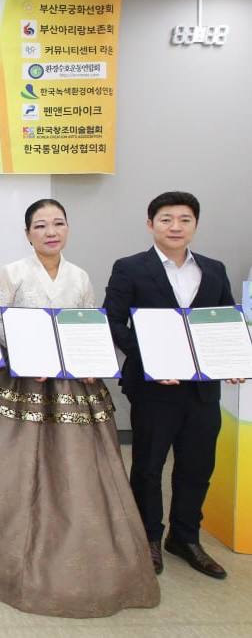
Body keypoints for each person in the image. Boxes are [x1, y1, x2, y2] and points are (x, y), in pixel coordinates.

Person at [0, 198, 159, 617]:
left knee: (74, 468)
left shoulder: (79, 276)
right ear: (28, 234)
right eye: (40, 225)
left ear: (67, 229)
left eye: (58, 223)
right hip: (20, 379)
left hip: (67, 380)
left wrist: (88, 359)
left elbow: (87, 322)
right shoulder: (14, 272)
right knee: (6, 465)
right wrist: (27, 353)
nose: (50, 231)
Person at [104, 191, 244, 580]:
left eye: (184, 219)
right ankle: (147, 537)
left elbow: (225, 321)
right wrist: (152, 359)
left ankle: (185, 537)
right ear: (150, 224)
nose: (176, 227)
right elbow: (114, 322)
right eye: (166, 219)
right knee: (148, 464)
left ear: (195, 225)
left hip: (202, 389)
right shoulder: (130, 268)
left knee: (198, 465)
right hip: (154, 386)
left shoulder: (213, 270)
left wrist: (232, 360)